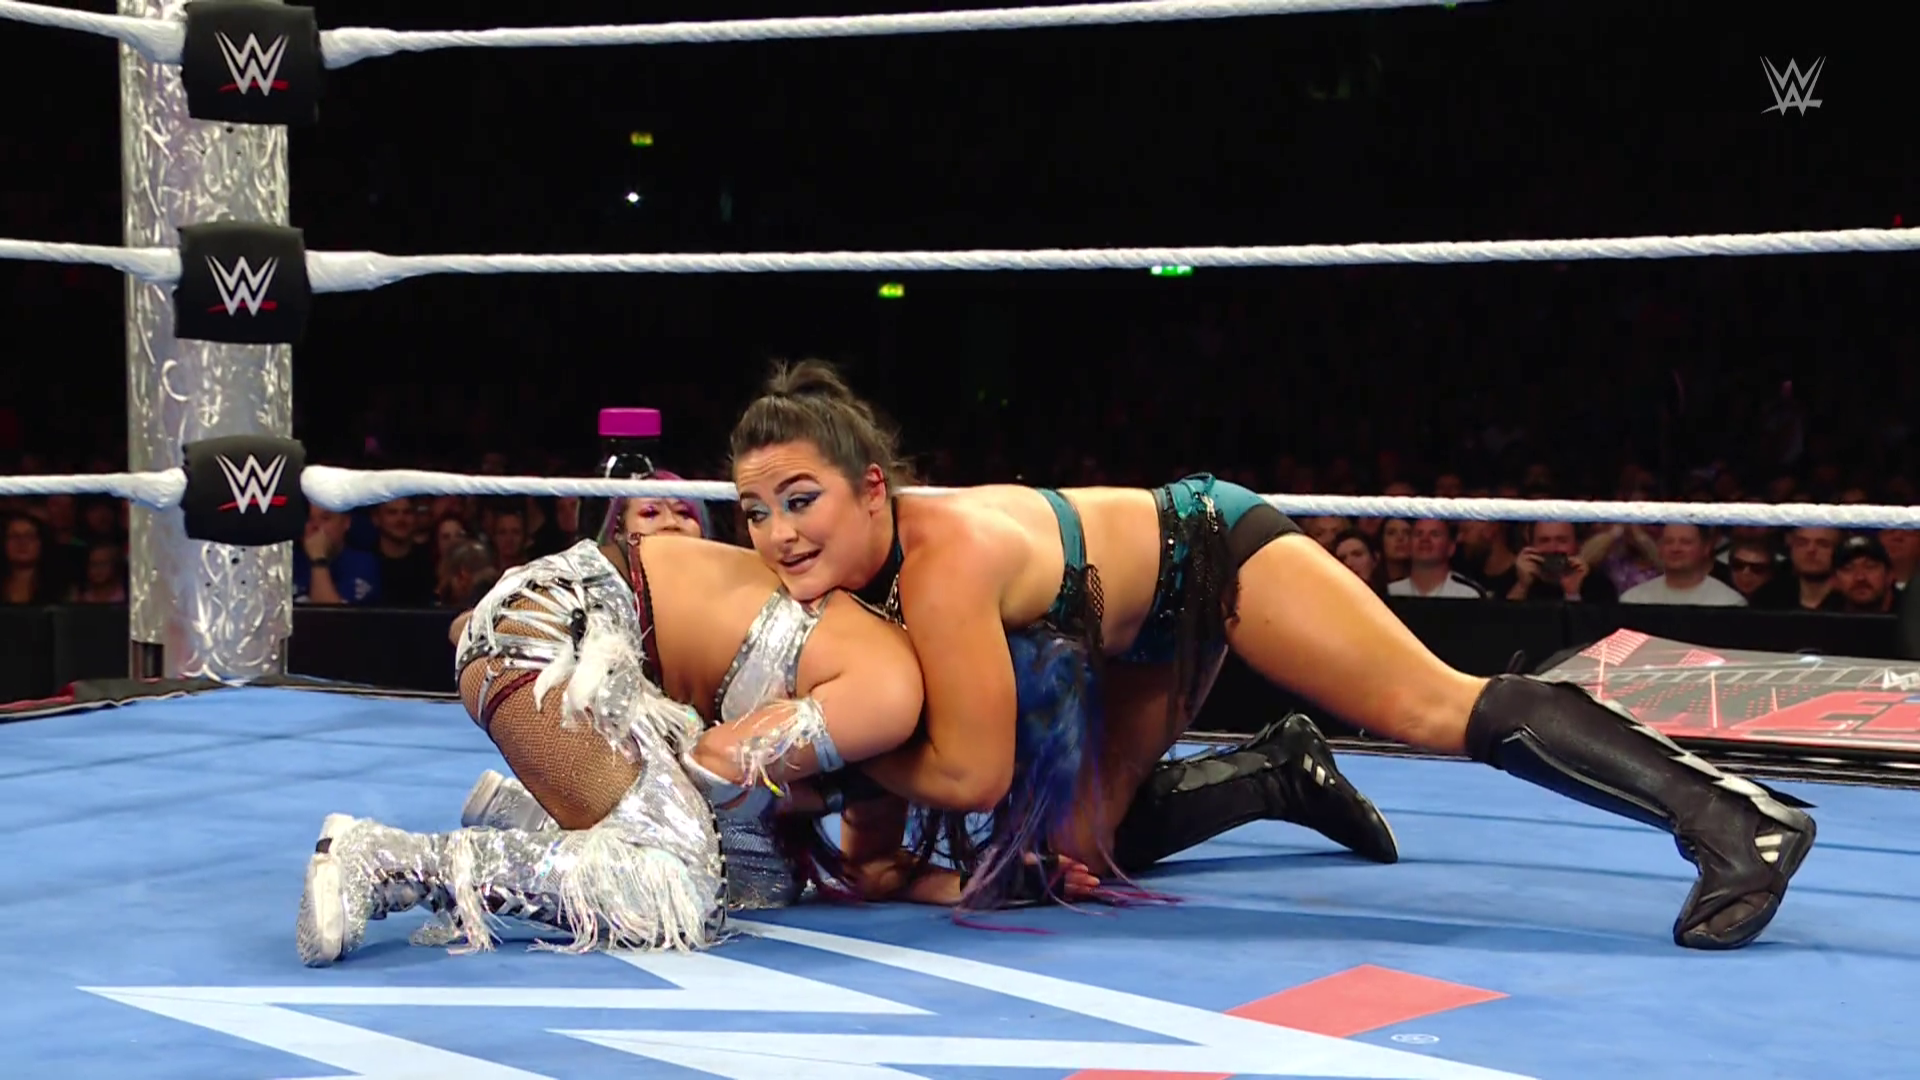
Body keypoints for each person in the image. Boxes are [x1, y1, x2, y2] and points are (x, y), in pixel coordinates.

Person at [727, 361, 1816, 949]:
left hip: (1209, 550)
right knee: (1074, 859)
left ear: (874, 487)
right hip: (1121, 638)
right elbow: (917, 767)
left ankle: (1739, 822)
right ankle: (1277, 772)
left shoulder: (941, 560)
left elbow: (969, 772)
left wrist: (802, 762)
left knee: (1429, 707)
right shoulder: (853, 585)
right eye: (756, 511)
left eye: (802, 499)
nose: (779, 534)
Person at [296, 529, 1092, 966]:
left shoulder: (899, 705)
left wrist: (991, 880)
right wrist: (713, 805)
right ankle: (388, 859)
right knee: (671, 886)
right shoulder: (889, 685)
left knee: (759, 878)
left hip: (577, 655)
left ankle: (530, 816)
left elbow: (869, 866)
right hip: (559, 646)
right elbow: (714, 764)